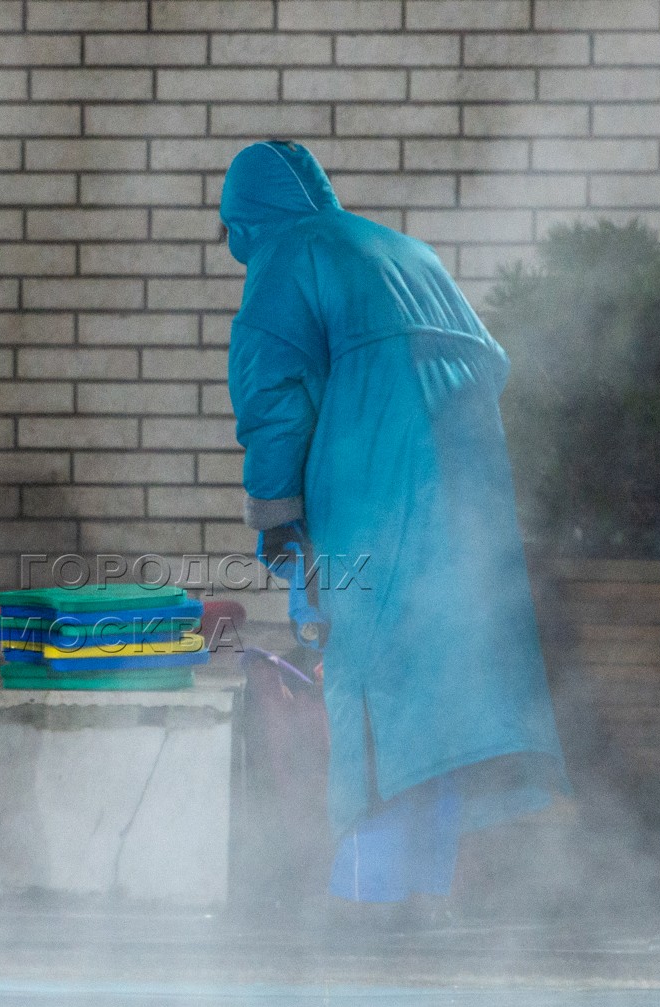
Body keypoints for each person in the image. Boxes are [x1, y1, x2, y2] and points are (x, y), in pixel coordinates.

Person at [221, 140, 568, 913]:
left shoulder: (286, 254)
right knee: (437, 685)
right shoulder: (409, 252)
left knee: (364, 675)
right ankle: (431, 895)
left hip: (373, 485)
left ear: (243, 220)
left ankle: (366, 897)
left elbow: (273, 399)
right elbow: (493, 365)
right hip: (467, 490)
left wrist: (278, 519)